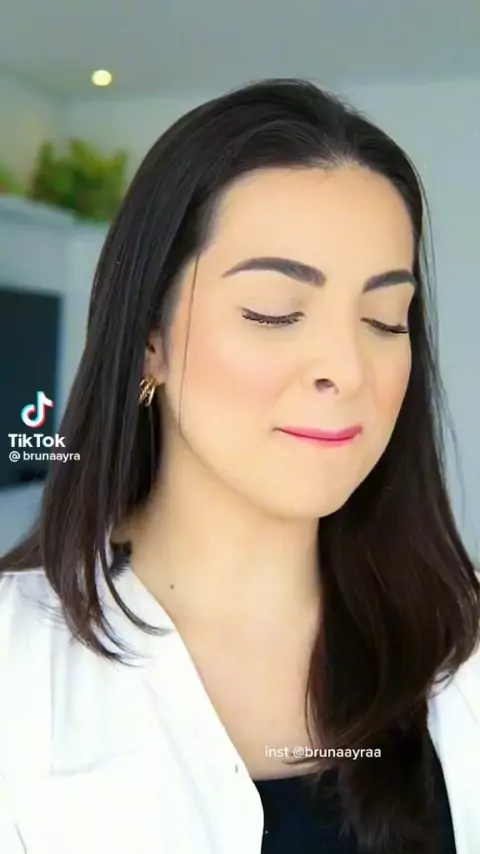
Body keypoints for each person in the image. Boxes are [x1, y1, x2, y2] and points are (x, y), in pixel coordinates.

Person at [0, 78, 478, 854]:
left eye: (384, 318)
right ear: (149, 339)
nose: (345, 369)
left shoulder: (462, 637)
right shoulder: (13, 665)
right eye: (274, 311)